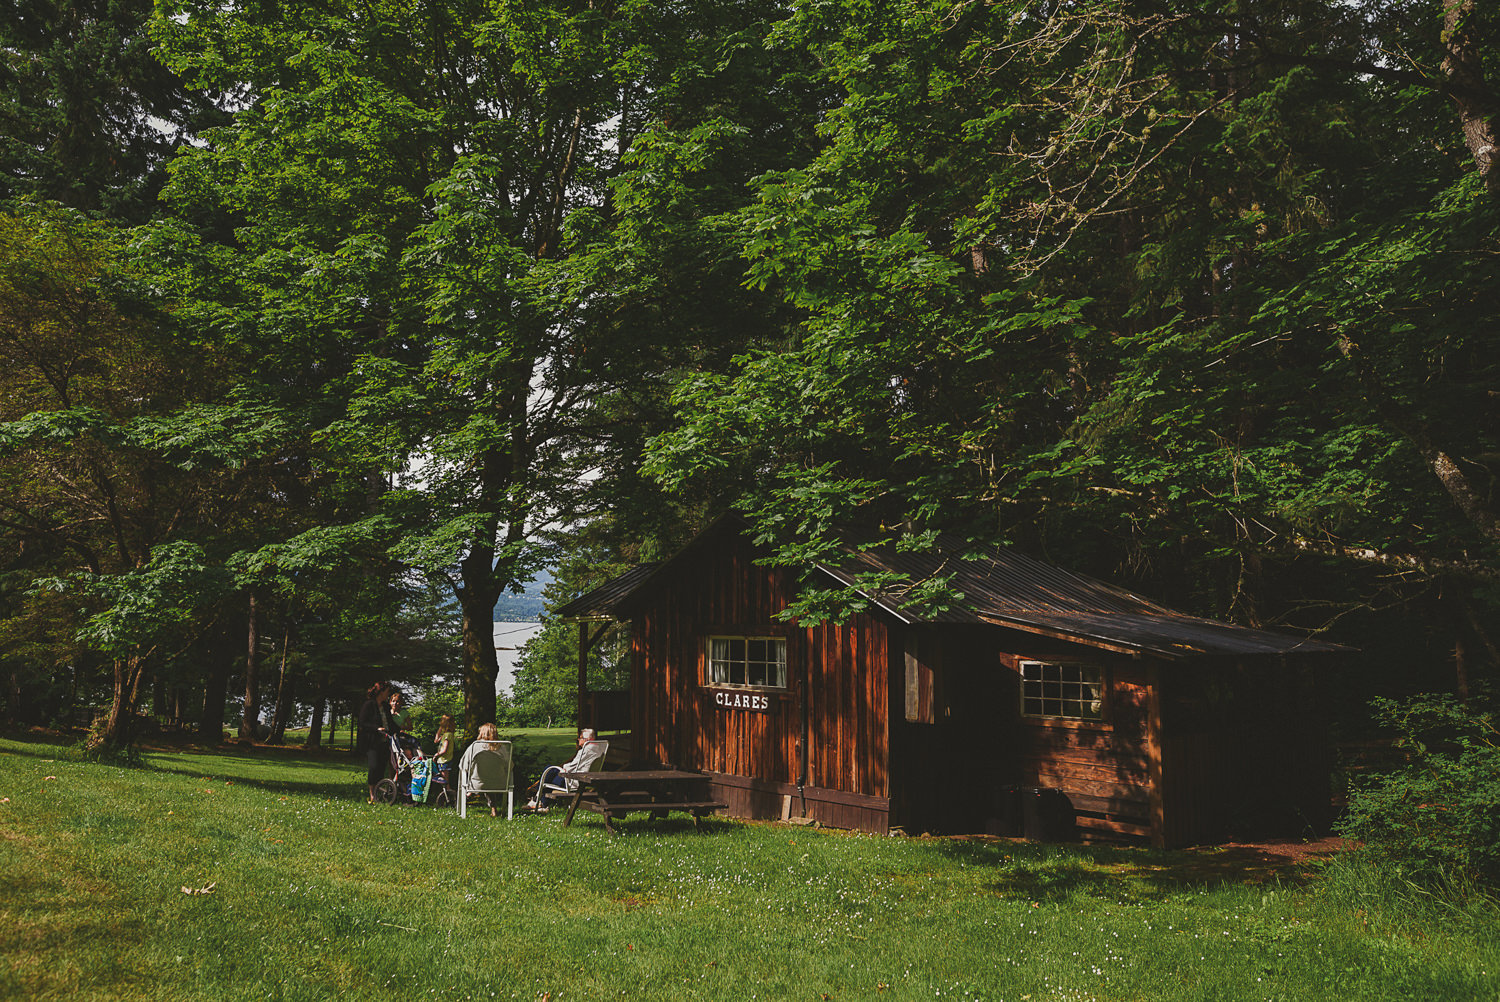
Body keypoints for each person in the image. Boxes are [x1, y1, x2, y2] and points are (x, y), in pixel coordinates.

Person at [528, 728, 605, 811]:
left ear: (587, 739)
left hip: (574, 781)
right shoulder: (599, 749)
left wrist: (563, 767)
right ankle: (541, 803)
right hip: (585, 779)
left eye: (580, 737)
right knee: (550, 775)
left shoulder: (585, 750)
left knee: (549, 770)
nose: (578, 739)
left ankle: (538, 800)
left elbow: (571, 766)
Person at [457, 722, 509, 817]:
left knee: (483, 779)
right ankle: (494, 809)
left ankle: (466, 797)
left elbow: (463, 765)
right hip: (500, 783)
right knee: (489, 779)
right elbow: (509, 766)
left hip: (477, 784)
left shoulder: (475, 747)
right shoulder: (502, 748)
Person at [357, 681, 392, 804]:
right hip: (372, 742)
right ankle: (372, 795)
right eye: (387, 692)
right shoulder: (369, 705)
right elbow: (362, 723)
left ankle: (379, 793)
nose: (388, 694)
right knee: (374, 766)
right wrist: (376, 728)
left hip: (384, 742)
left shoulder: (386, 707)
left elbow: (391, 723)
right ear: (381, 692)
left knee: (381, 768)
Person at [432, 714, 457, 793]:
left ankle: (448, 794)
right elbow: (436, 740)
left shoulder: (446, 736)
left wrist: (436, 755)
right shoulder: (448, 735)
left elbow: (444, 750)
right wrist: (440, 729)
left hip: (444, 760)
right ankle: (447, 793)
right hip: (446, 760)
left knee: (445, 781)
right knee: (445, 780)